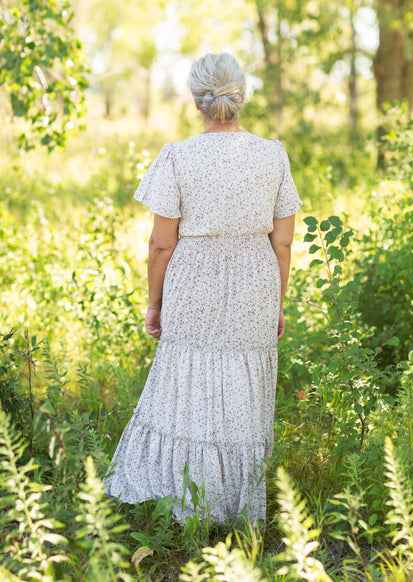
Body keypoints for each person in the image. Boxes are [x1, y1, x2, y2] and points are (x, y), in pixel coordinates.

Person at [103, 52, 303, 529]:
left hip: (193, 282)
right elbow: (284, 241)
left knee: (188, 383)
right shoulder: (272, 154)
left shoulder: (178, 155)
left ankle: (187, 502)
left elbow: (160, 244)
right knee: (243, 389)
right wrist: (276, 304)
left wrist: (154, 303)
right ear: (242, 97)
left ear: (197, 102)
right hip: (256, 279)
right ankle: (236, 509)